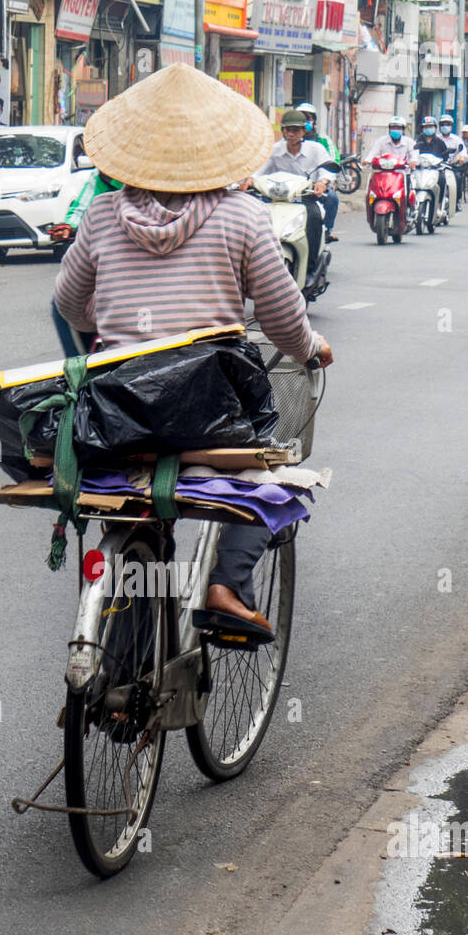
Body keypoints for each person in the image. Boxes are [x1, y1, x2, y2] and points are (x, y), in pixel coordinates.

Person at [53, 63, 333, 632]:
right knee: (275, 471)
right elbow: (281, 317)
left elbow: (70, 304)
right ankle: (226, 586)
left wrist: (111, 322)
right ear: (217, 152)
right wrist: (310, 348)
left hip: (116, 413)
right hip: (209, 416)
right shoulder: (243, 216)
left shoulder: (103, 215)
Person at [254, 108, 335, 281]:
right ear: (282, 131)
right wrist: (249, 181)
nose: (291, 134)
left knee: (314, 217)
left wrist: (322, 183)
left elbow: (328, 171)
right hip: (275, 199)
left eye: (296, 130)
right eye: (288, 130)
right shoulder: (274, 150)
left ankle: (311, 268)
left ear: (304, 131)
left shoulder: (316, 149)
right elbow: (258, 172)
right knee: (253, 218)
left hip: (304, 199)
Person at [49, 171, 122, 358]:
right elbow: (79, 210)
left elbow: (69, 293)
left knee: (61, 305)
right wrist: (69, 226)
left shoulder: (102, 207)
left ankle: (79, 373)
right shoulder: (102, 179)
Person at [296, 101, 340, 241]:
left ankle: (326, 231)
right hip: (292, 188)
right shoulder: (283, 144)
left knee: (332, 198)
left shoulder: (322, 141)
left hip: (314, 187)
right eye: (300, 119)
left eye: (308, 119)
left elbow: (332, 161)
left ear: (314, 122)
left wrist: (326, 181)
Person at [438, 115, 467, 209]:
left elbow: (463, 151)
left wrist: (462, 158)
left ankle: (457, 201)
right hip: (437, 166)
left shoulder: (456, 139)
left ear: (451, 126)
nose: (445, 126)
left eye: (447, 124)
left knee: (457, 178)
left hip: (451, 166)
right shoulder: (436, 139)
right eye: (442, 124)